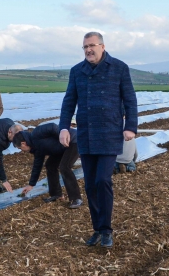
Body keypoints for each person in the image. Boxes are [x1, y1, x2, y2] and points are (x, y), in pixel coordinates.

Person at [59, 31, 137, 249]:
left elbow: (130, 99)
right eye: (84, 47)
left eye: (91, 46)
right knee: (91, 185)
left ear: (102, 46)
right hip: (86, 135)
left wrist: (130, 126)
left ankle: (107, 229)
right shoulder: (77, 71)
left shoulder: (119, 68)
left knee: (103, 180)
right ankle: (98, 229)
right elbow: (68, 102)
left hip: (109, 133)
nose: (88, 50)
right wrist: (63, 127)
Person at [13, 123, 83, 209]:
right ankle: (56, 194)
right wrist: (31, 185)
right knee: (50, 165)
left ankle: (76, 199)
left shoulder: (36, 134)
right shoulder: (36, 149)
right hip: (61, 149)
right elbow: (37, 166)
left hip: (72, 141)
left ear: (23, 143)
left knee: (65, 167)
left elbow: (52, 127)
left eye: (20, 148)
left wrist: (62, 137)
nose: (22, 151)